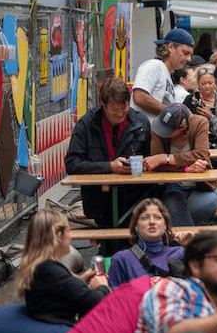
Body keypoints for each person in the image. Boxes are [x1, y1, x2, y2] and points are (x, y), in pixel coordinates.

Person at [65, 77, 153, 254]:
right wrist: (108, 167)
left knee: (132, 236)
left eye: (124, 108)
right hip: (99, 197)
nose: (120, 113)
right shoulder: (87, 124)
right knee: (110, 238)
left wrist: (144, 165)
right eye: (114, 109)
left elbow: (151, 158)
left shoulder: (140, 122)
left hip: (134, 195)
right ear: (103, 104)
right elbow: (72, 164)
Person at [19, 208, 110, 326]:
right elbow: (93, 303)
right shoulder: (51, 270)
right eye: (69, 231)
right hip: (60, 329)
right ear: (59, 235)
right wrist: (102, 286)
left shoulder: (38, 265)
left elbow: (61, 289)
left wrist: (80, 280)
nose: (71, 237)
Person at [145, 103, 217, 226]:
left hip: (202, 187)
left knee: (177, 213)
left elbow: (202, 155)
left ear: (182, 128)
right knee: (174, 209)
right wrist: (186, 169)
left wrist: (166, 158)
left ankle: (178, 242)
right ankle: (192, 241)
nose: (162, 132)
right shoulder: (157, 126)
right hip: (174, 186)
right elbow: (157, 164)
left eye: (168, 131)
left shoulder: (200, 122)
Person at [107, 199, 193, 288]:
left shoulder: (180, 253)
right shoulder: (121, 259)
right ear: (136, 226)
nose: (152, 222)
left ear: (165, 225)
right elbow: (114, 297)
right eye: (145, 218)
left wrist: (193, 245)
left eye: (157, 217)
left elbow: (201, 284)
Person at [130, 28, 195, 123]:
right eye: (185, 53)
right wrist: (170, 111)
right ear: (171, 47)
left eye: (190, 55)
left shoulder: (167, 74)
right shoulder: (154, 65)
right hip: (141, 133)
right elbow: (139, 97)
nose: (189, 59)